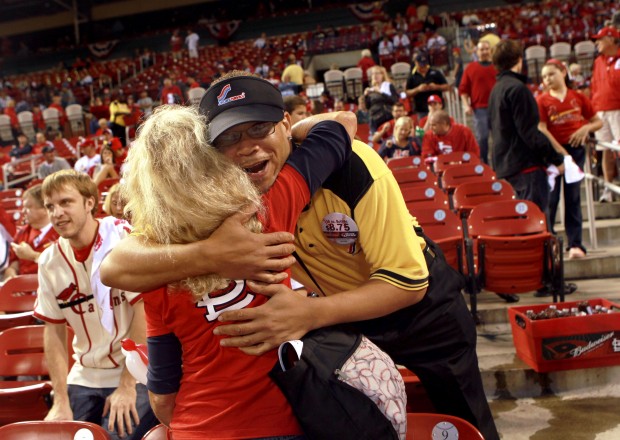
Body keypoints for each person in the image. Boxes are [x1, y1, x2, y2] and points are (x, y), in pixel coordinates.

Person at [101, 73, 501, 440]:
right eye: (227, 138)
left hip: (421, 317)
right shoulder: (237, 203)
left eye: (259, 127)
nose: (246, 147)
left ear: (285, 124)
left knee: (457, 425)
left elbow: (408, 283)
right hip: (339, 321)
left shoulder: (350, 165)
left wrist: (308, 314)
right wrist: (210, 254)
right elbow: (118, 263)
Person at [122, 84, 355, 437]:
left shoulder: (152, 263)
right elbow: (339, 127)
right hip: (282, 421)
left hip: (199, 428)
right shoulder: (268, 206)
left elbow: (163, 395)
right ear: (212, 158)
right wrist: (285, 127)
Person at [33, 170, 157, 439]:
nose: (57, 213)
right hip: (85, 373)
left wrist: (127, 385)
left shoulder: (121, 240)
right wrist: (60, 400)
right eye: (50, 207)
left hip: (132, 369)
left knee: (114, 434)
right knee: (62, 436)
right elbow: (53, 333)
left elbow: (143, 312)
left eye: (66, 202)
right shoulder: (48, 261)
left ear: (90, 203)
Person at [488, 39, 576, 300]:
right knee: (538, 226)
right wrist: (554, 157)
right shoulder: (518, 88)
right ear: (519, 60)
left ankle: (517, 279)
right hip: (525, 166)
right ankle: (544, 281)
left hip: (507, 165)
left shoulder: (497, 89)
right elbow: (530, 133)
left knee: (522, 227)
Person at [536, 59, 602, 259]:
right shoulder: (542, 100)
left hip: (576, 151)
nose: (547, 79)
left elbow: (597, 121)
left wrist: (585, 128)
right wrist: (558, 152)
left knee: (573, 197)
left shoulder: (578, 97)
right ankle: (548, 241)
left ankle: (576, 244)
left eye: (551, 74)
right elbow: (541, 128)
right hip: (553, 154)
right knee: (552, 198)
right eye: (544, 76)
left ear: (563, 72)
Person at [3, 184, 59, 282]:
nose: (23, 211)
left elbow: (64, 265)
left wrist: (33, 255)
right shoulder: (22, 232)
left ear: (45, 209)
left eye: (28, 207)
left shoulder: (62, 232)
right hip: (22, 290)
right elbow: (14, 262)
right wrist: (11, 273)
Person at [590, 26, 620, 203]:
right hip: (601, 111)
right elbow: (594, 87)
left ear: (611, 39)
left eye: (600, 39)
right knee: (606, 151)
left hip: (618, 110)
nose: (597, 43)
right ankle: (608, 190)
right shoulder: (598, 62)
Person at [459, 40, 497, 164]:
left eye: (487, 49)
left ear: (491, 51)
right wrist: (466, 105)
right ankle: (484, 163)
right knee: (483, 138)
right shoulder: (470, 68)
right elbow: (463, 90)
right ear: (476, 51)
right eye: (482, 49)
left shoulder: (497, 66)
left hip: (498, 108)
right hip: (479, 108)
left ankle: (498, 164)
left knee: (499, 138)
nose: (485, 52)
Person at [406, 53, 449, 118]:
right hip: (421, 109)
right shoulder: (412, 76)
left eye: (424, 64)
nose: (423, 67)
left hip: (437, 107)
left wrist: (436, 87)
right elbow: (407, 93)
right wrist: (418, 89)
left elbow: (447, 86)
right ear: (416, 63)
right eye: (421, 65)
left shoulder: (435, 72)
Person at [364, 65, 398, 134]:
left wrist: (380, 92)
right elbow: (368, 107)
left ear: (382, 75)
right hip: (375, 119)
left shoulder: (388, 86)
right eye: (373, 74)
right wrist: (366, 96)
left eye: (377, 73)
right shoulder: (371, 89)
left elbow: (394, 101)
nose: (375, 75)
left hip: (387, 117)